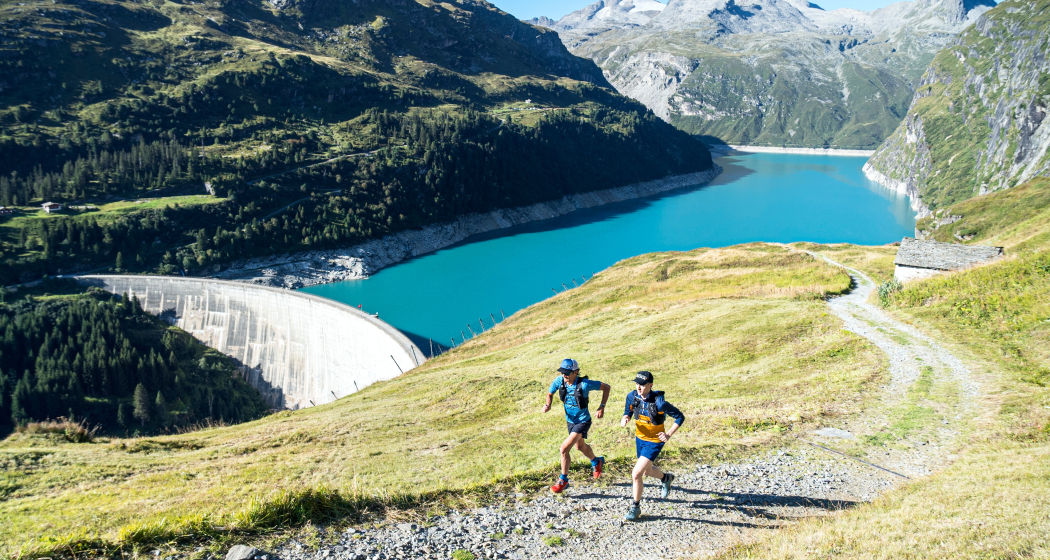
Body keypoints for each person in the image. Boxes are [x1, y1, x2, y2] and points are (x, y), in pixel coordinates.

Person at [620, 370, 684, 521]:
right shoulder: (632, 396)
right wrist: (626, 417)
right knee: (646, 472)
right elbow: (628, 410)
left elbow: (680, 417)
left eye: (642, 385)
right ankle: (666, 478)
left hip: (655, 441)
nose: (638, 387)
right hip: (640, 439)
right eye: (637, 384)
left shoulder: (659, 403)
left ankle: (635, 507)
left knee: (636, 473)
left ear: (650, 385)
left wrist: (668, 434)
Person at [542, 358, 611, 493]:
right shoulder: (559, 381)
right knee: (580, 446)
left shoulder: (584, 384)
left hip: (583, 421)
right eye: (562, 372)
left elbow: (606, 387)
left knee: (564, 449)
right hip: (570, 421)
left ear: (576, 372)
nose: (564, 375)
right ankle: (596, 462)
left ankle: (563, 480)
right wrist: (547, 405)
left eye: (567, 372)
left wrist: (601, 407)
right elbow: (549, 393)